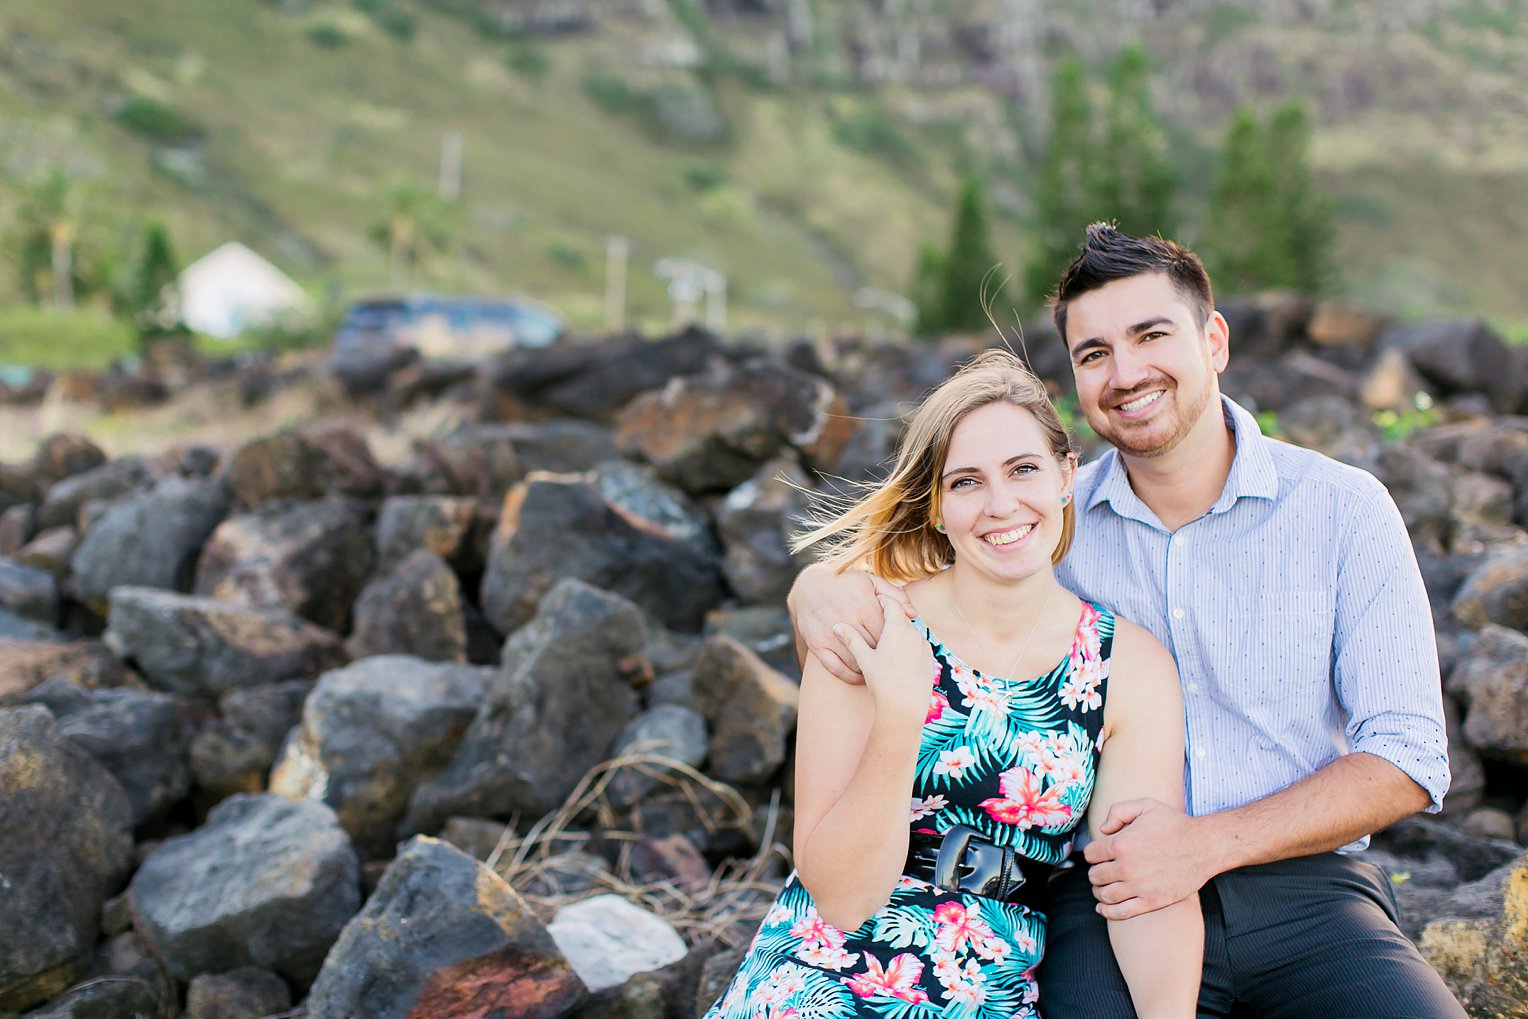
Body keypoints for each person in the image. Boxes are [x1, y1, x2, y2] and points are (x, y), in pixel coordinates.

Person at [789, 224, 1465, 1018]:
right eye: (1094, 353)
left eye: (1151, 335)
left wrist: (1203, 846)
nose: (1126, 372)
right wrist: (815, 587)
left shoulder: (1343, 510)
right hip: (1099, 901)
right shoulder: (1048, 526)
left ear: (1213, 339)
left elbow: (1408, 755)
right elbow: (921, 593)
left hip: (1311, 895)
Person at [703, 349, 1202, 1019]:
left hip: (989, 981)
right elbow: (842, 897)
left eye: (1023, 469)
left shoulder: (1126, 667)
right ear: (936, 505)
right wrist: (901, 714)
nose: (1001, 504)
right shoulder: (869, 623)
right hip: (819, 973)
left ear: (1065, 476)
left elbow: (1146, 883)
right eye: (966, 482)